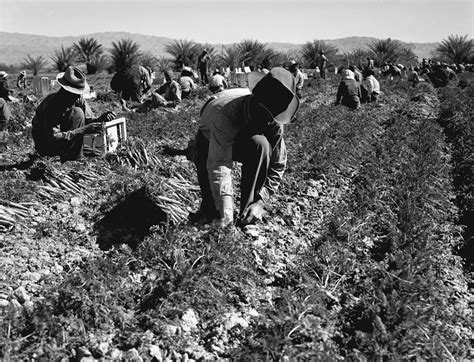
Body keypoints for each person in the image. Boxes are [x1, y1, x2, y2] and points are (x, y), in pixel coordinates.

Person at [192, 67, 299, 227]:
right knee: (214, 208)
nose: (266, 121)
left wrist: (261, 201)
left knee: (261, 145)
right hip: (209, 135)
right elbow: (220, 163)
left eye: (269, 118)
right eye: (262, 114)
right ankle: (211, 210)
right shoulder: (225, 115)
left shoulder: (273, 120)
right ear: (253, 101)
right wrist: (226, 210)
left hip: (240, 133)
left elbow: (278, 164)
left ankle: (248, 212)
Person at [32, 66, 115, 162]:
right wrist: (82, 130)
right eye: (75, 93)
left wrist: (100, 119)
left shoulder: (78, 98)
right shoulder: (53, 105)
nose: (78, 96)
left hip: (67, 138)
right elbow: (54, 137)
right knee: (78, 113)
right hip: (46, 144)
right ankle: (72, 158)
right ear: (66, 90)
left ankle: (74, 153)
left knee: (96, 152)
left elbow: (88, 121)